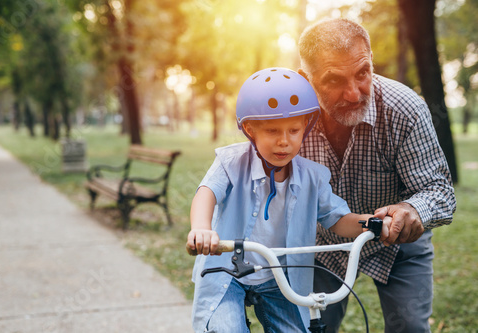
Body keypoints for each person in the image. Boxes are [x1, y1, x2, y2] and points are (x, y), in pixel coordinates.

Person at [186, 67, 390, 332]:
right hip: (226, 269)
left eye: (293, 130)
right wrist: (202, 229)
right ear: (250, 129)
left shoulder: (312, 177)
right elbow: (206, 193)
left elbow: (338, 220)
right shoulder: (231, 162)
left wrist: (371, 223)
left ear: (305, 126)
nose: (284, 142)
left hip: (279, 275)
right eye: (272, 131)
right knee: (226, 328)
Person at [297, 18, 456, 333]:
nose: (354, 94)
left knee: (409, 327)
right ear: (307, 79)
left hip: (398, 243)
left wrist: (413, 210)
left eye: (362, 73)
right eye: (334, 80)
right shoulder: (290, 113)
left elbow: (440, 191)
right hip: (321, 244)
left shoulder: (405, 109)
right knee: (309, 327)